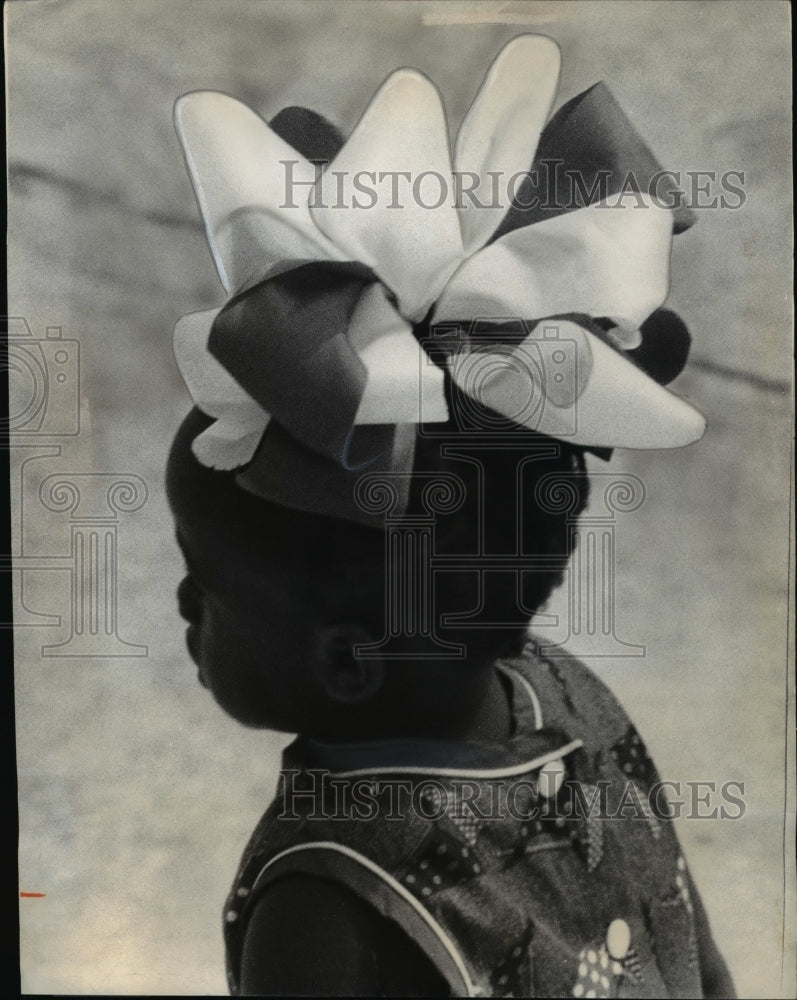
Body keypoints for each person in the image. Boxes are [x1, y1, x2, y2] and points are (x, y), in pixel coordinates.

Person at [167, 34, 735, 997]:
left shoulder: (327, 898)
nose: (185, 601)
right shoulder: (567, 690)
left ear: (345, 660)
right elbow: (691, 951)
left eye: (208, 584)